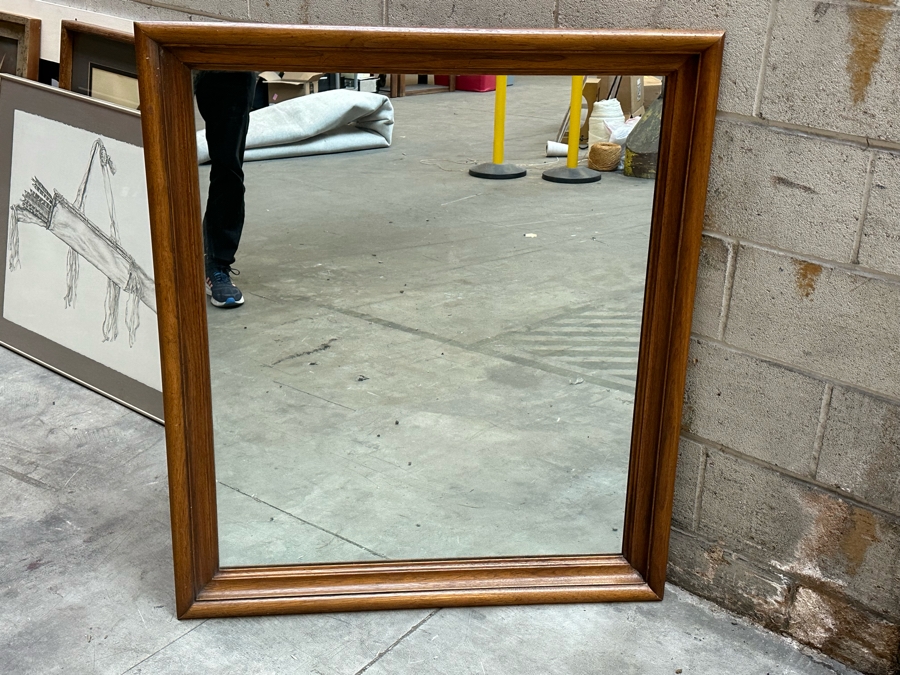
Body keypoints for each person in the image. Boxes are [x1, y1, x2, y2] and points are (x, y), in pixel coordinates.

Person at [194, 71, 257, 308]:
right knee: (139, 145)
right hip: (155, 40)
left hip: (230, 55)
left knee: (227, 167)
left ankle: (216, 263)